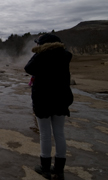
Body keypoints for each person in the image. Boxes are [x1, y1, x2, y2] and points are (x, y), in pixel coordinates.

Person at [24, 33, 73, 180]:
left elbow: (28, 68)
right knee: (59, 133)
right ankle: (59, 170)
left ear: (43, 45)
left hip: (43, 100)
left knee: (45, 134)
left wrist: (38, 52)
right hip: (61, 99)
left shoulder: (41, 56)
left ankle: (45, 168)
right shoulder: (65, 55)